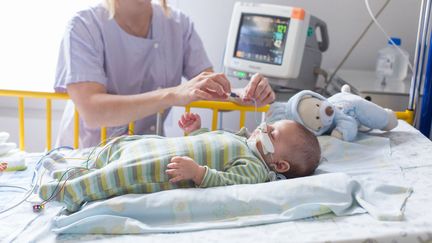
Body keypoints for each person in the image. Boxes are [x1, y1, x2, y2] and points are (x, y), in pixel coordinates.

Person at [55, 0, 275, 148]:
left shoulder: (179, 24)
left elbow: (208, 86)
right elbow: (92, 112)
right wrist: (173, 95)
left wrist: (244, 93)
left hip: (146, 155)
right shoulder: (83, 25)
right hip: (86, 155)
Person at [39, 112, 321, 212]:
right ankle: (70, 166)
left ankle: (66, 191)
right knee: (120, 147)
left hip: (168, 167)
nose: (265, 128)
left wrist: (199, 173)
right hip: (160, 145)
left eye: (272, 133)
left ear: (280, 165)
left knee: (121, 174)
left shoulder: (256, 168)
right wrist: (196, 130)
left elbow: (231, 183)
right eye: (269, 124)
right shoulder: (242, 139)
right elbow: (209, 141)